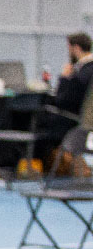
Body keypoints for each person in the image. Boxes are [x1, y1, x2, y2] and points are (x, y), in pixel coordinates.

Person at [37, 32, 93, 167]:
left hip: (74, 122)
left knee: (35, 123)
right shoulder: (86, 70)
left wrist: (64, 78)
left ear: (76, 48)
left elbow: (62, 101)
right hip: (81, 121)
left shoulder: (83, 73)